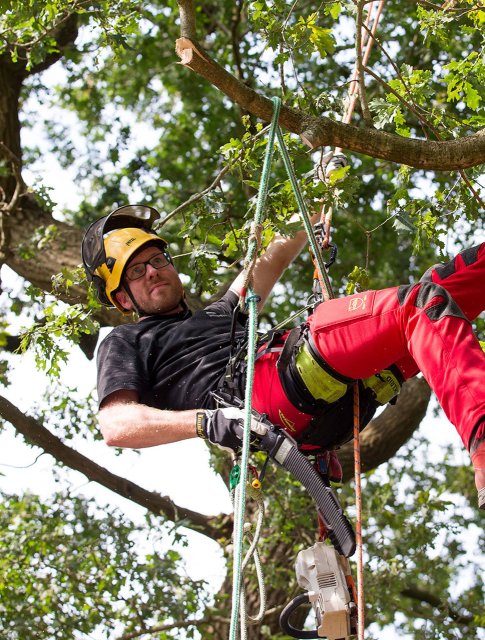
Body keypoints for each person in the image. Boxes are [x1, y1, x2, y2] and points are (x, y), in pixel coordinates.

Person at [81, 204, 485, 509]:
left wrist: (315, 196)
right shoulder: (125, 340)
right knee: (417, 304)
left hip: (336, 400)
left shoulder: (222, 313)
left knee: (448, 286)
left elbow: (274, 255)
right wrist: (210, 422)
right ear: (121, 298)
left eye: (157, 260)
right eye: (136, 272)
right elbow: (117, 425)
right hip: (269, 390)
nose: (152, 271)